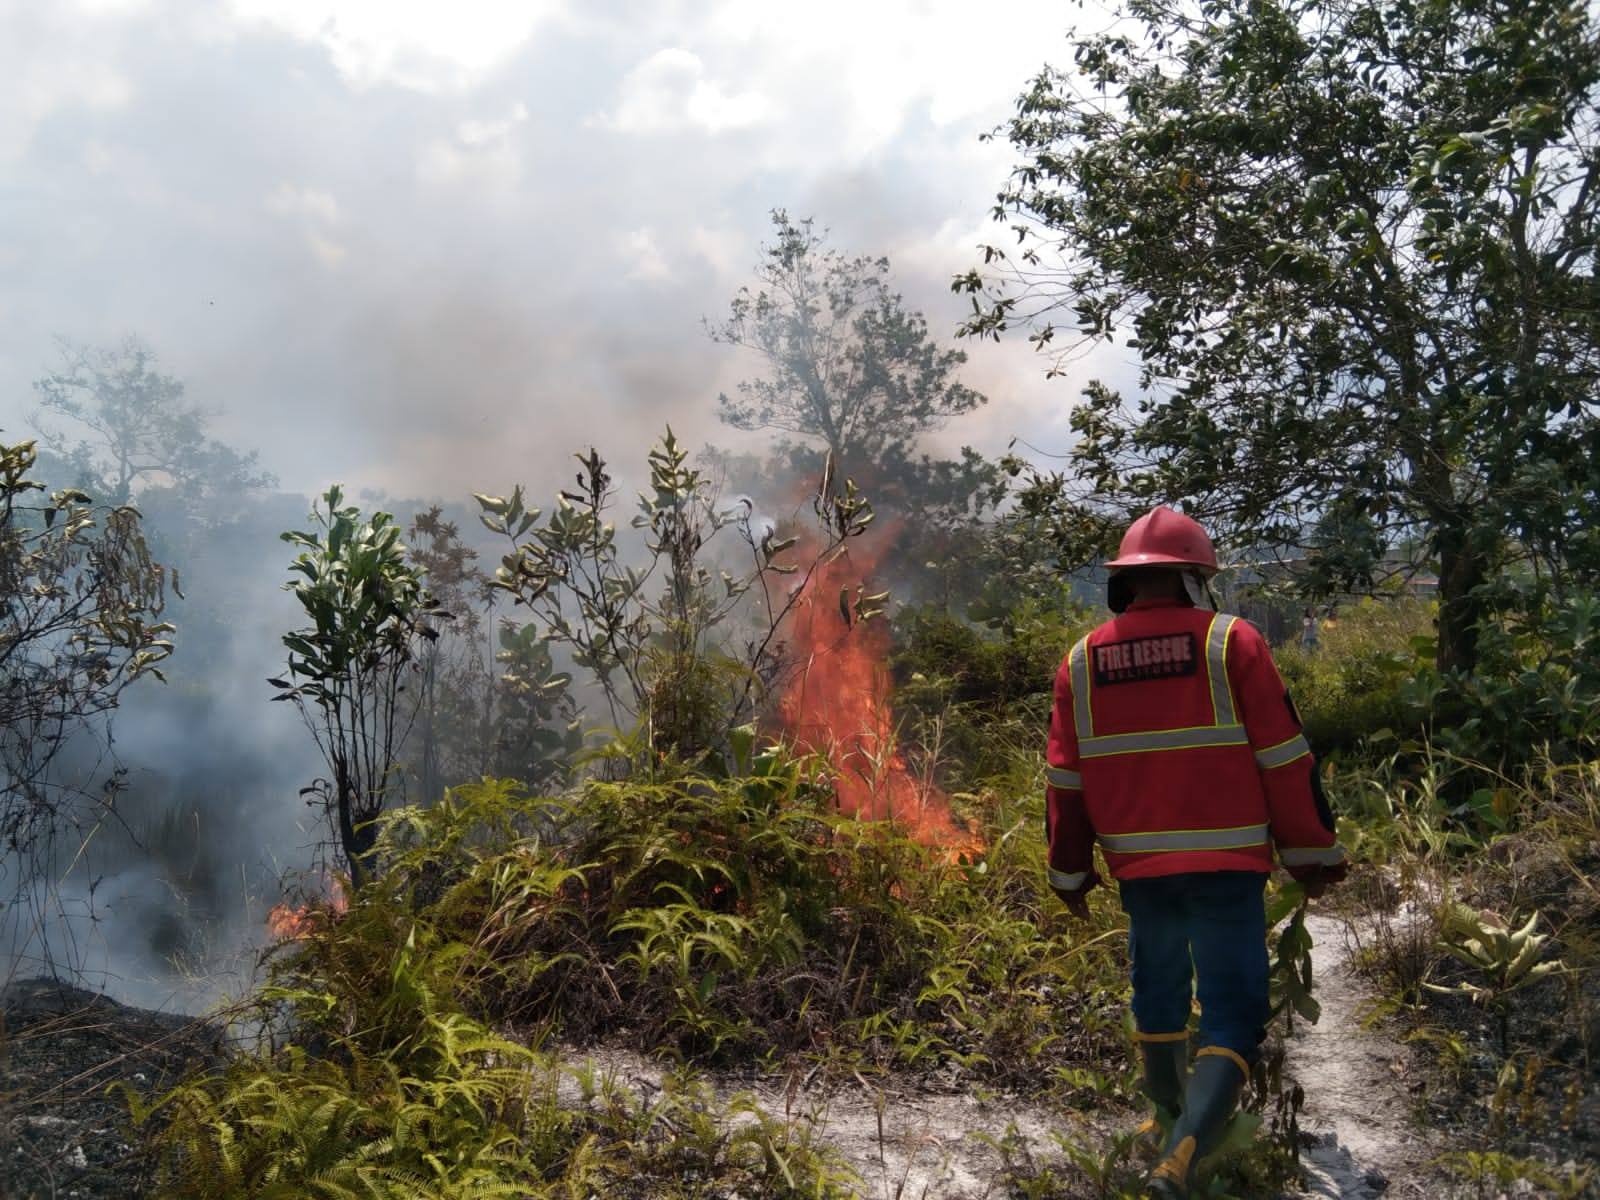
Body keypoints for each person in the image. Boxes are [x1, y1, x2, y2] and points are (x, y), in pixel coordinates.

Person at [1044, 506, 1347, 1199]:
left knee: (1157, 997)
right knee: (1233, 1015)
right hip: (1226, 870)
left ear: (1123, 585)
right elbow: (1283, 760)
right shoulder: (1230, 643)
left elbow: (1066, 782)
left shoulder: (1080, 662)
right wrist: (1313, 853)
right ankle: (1181, 1157)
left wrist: (1068, 871)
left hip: (1141, 875)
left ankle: (1163, 1122)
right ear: (1194, 580)